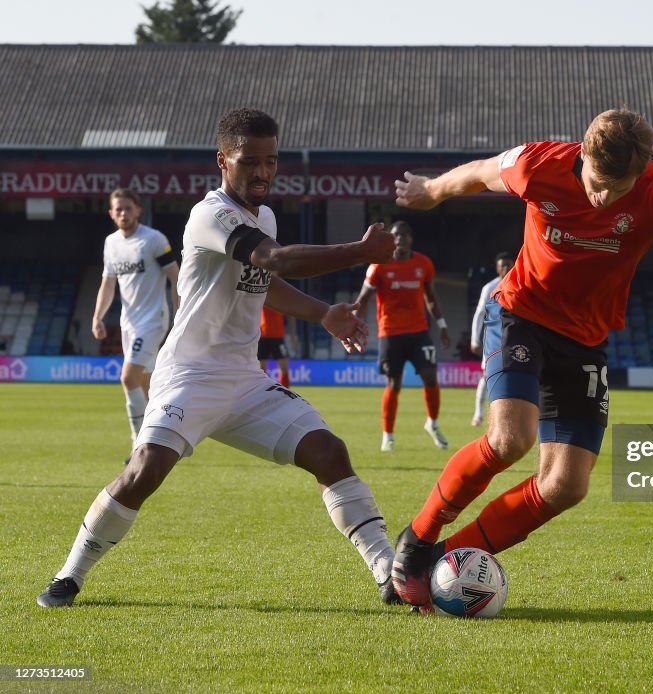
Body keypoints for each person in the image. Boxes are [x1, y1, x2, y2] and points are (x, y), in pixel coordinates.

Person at [388, 108, 653, 606]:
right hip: (521, 313)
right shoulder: (538, 164)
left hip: (584, 340)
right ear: (581, 153)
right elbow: (477, 173)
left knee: (566, 485)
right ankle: (417, 541)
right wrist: (430, 192)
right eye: (597, 183)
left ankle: (447, 561)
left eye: (617, 188)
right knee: (509, 438)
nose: (603, 197)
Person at [36, 108, 400, 608]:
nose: (264, 172)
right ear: (222, 162)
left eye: (271, 160)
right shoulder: (211, 214)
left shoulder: (263, 215)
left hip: (246, 382)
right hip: (188, 374)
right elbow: (276, 259)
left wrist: (323, 315)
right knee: (145, 469)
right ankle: (69, 575)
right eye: (250, 161)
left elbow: (263, 282)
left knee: (329, 452)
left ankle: (388, 573)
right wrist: (360, 251)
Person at [92, 188, 180, 460]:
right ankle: (163, 439)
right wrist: (97, 317)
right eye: (118, 209)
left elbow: (175, 278)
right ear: (111, 213)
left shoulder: (153, 240)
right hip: (128, 322)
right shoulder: (111, 243)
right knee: (146, 385)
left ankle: (138, 445)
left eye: (128, 208)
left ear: (138, 210)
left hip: (153, 320)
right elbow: (108, 283)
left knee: (127, 377)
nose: (123, 213)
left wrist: (179, 318)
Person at [355, 222, 451, 452]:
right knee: (394, 383)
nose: (401, 239)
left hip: (419, 332)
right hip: (390, 333)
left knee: (430, 376)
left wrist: (442, 325)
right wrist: (355, 323)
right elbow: (364, 297)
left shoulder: (423, 264)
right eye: (397, 235)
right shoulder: (378, 266)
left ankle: (433, 423)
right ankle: (387, 435)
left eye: (405, 235)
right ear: (391, 239)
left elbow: (431, 298)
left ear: (411, 239)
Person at [470, 251, 515, 427]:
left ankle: (506, 417)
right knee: (486, 376)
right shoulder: (490, 288)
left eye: (509, 264)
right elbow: (480, 313)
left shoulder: (520, 285)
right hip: (493, 340)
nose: (506, 268)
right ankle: (478, 415)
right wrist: (475, 339)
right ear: (497, 268)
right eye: (502, 265)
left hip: (514, 339)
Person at [258, 305, 295, 387]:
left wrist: (293, 336)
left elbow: (290, 316)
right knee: (262, 370)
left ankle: (285, 393)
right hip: (263, 337)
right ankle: (263, 392)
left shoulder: (280, 300)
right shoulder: (261, 297)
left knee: (284, 367)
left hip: (278, 337)